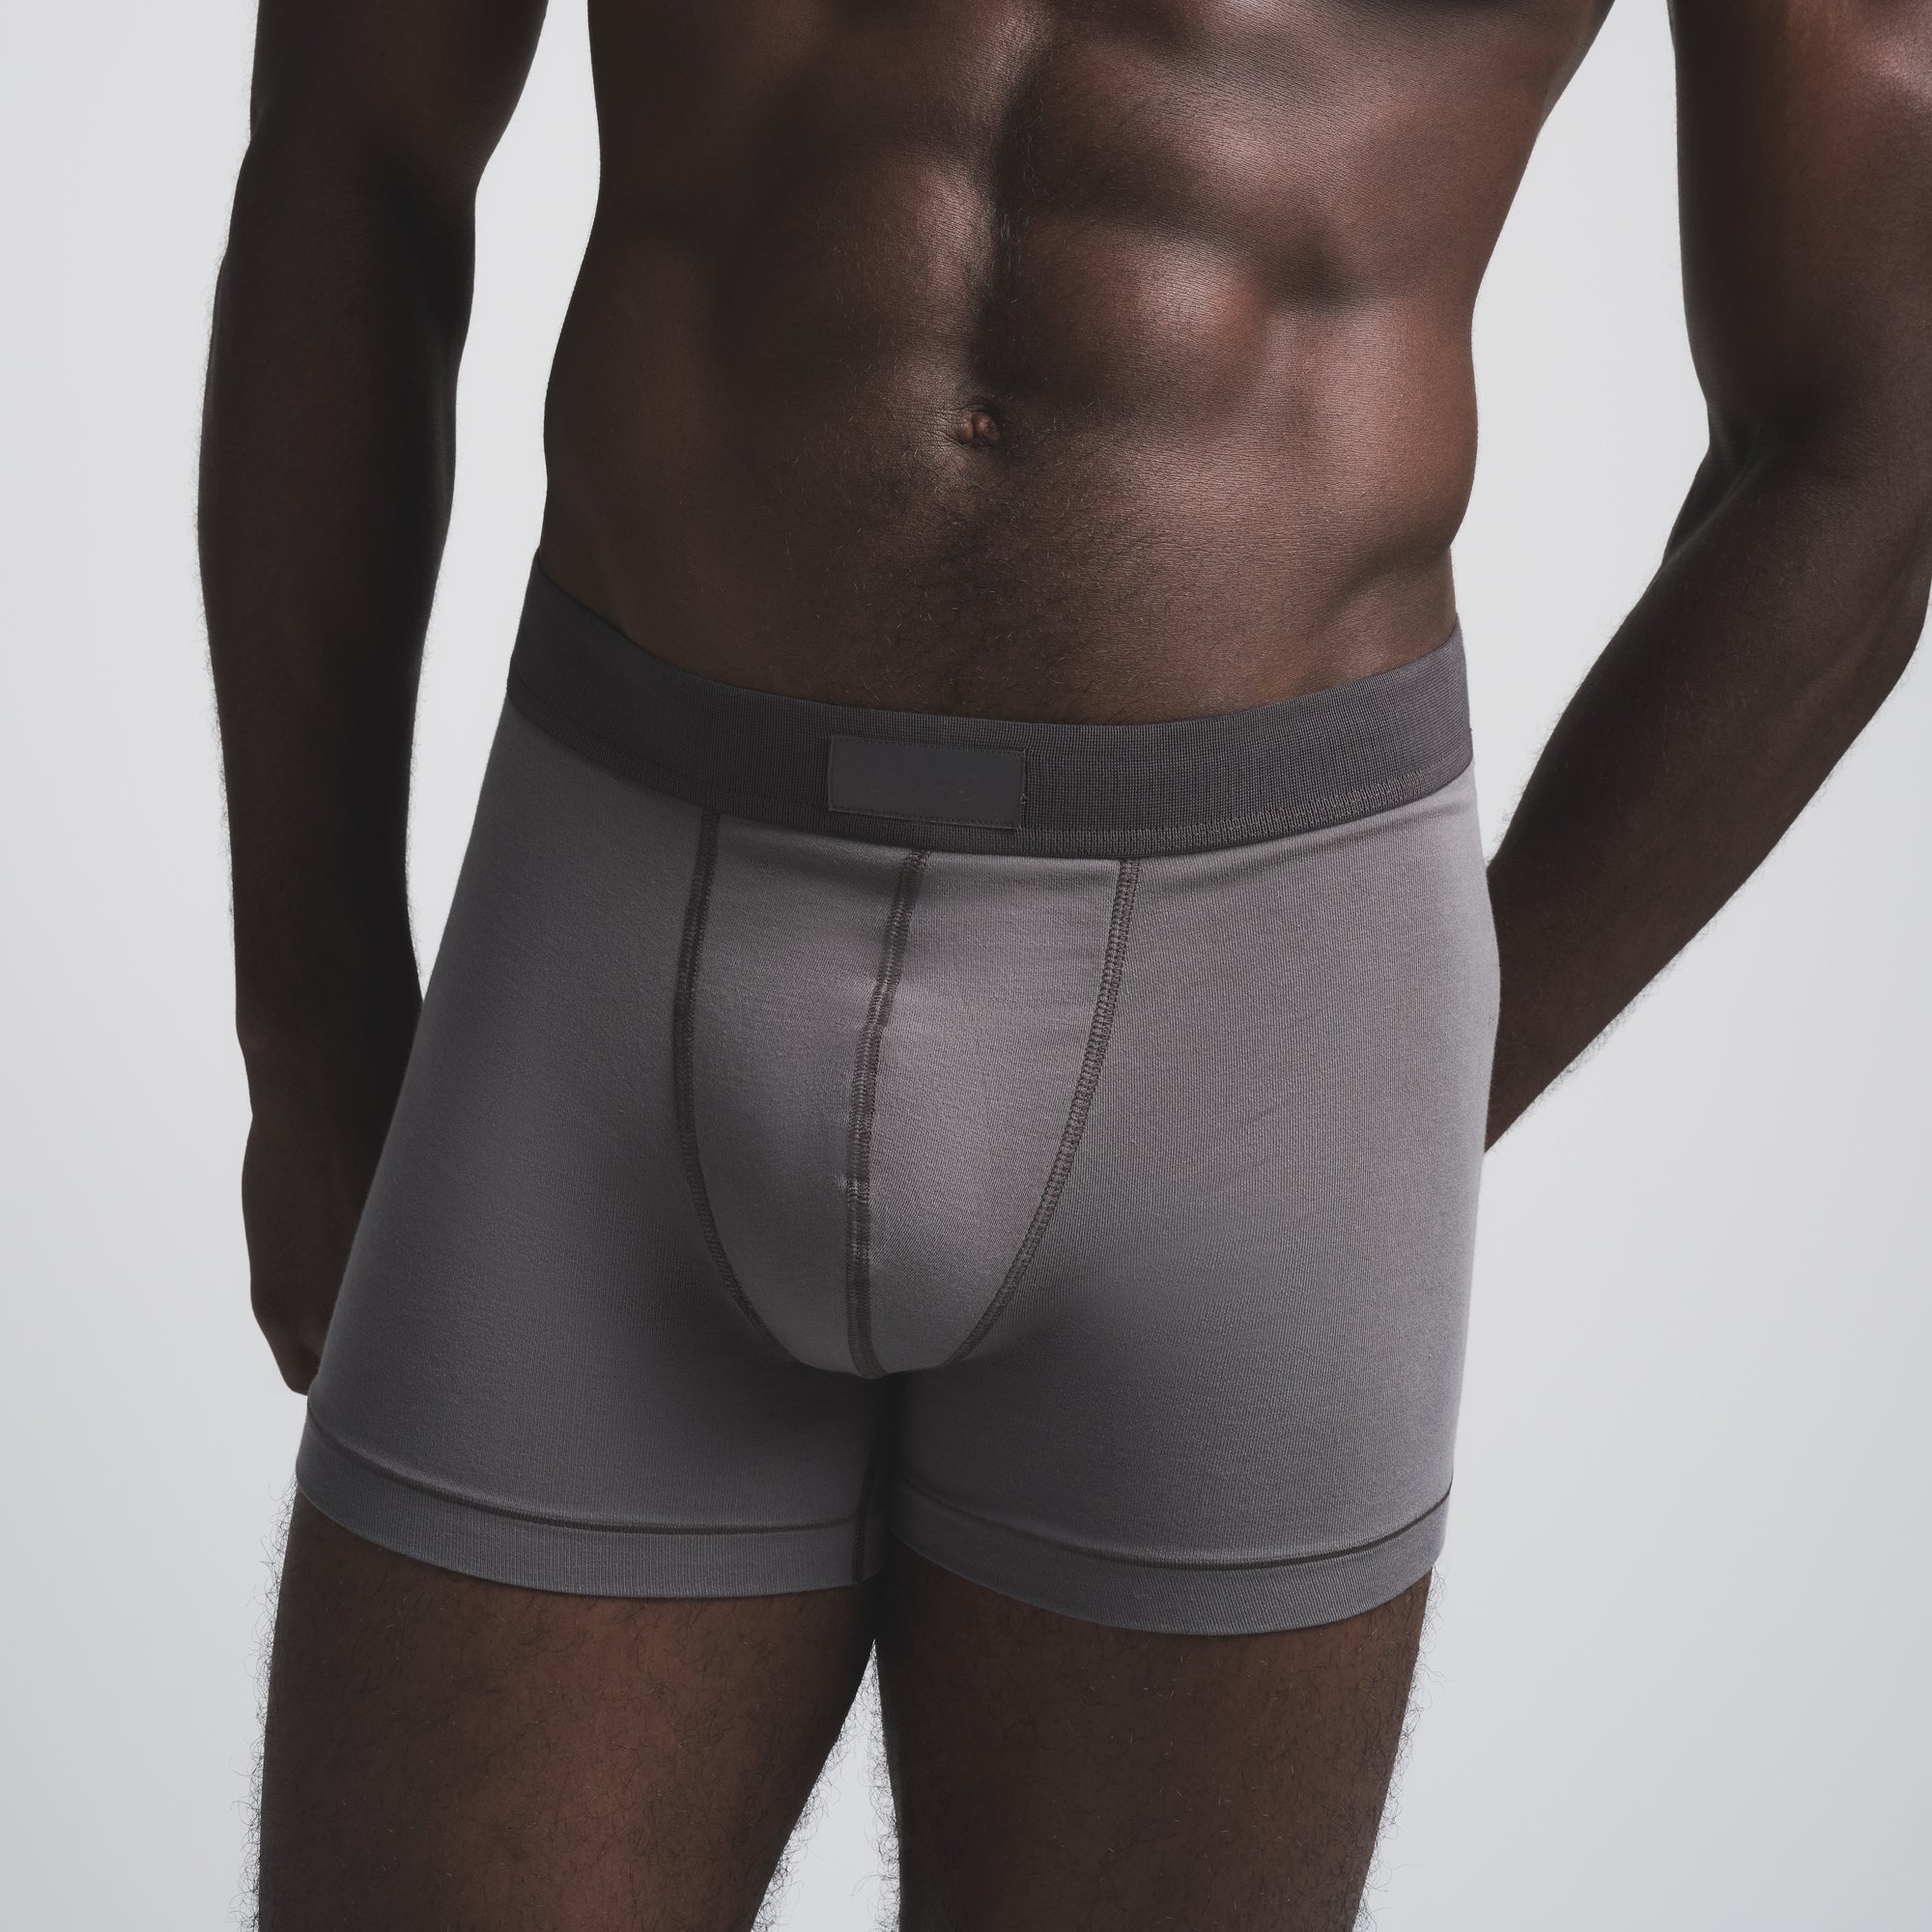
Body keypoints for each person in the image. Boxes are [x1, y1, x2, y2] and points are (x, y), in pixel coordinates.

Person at [201, 0, 1932, 1923]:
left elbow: (1868, 424)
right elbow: (349, 148)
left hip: (1267, 989)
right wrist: (309, 1010)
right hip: (609, 961)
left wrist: (1416, 1079)